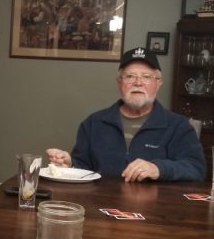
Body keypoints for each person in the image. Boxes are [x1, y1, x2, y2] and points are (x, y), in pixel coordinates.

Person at [47, 47, 205, 181]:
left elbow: (197, 169)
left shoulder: (178, 126)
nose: (138, 82)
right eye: (130, 76)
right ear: (119, 82)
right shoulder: (93, 123)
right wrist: (69, 166)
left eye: (146, 77)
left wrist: (158, 168)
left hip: (156, 213)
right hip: (101, 209)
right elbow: (84, 169)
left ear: (158, 84)